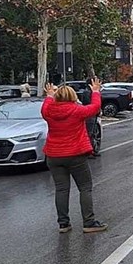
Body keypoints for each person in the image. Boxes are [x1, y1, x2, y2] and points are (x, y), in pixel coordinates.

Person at [42, 78, 107, 233]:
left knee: (61, 189)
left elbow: (46, 104)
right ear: (72, 97)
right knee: (85, 187)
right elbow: (95, 107)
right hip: (75, 154)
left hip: (54, 155)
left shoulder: (48, 111)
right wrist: (96, 91)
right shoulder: (77, 111)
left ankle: (63, 224)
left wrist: (50, 94)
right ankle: (88, 222)